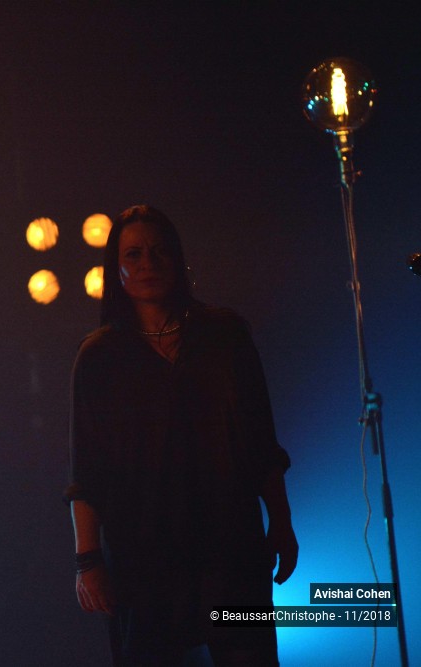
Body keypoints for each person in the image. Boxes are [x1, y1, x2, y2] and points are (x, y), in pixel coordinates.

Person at [66, 205, 298, 666]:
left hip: (231, 544)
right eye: (134, 254)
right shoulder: (99, 356)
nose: (147, 263)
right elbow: (87, 468)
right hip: (143, 556)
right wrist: (88, 561)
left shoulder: (225, 334)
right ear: (117, 269)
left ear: (177, 259)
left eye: (158, 251)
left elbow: (259, 440)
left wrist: (282, 522)